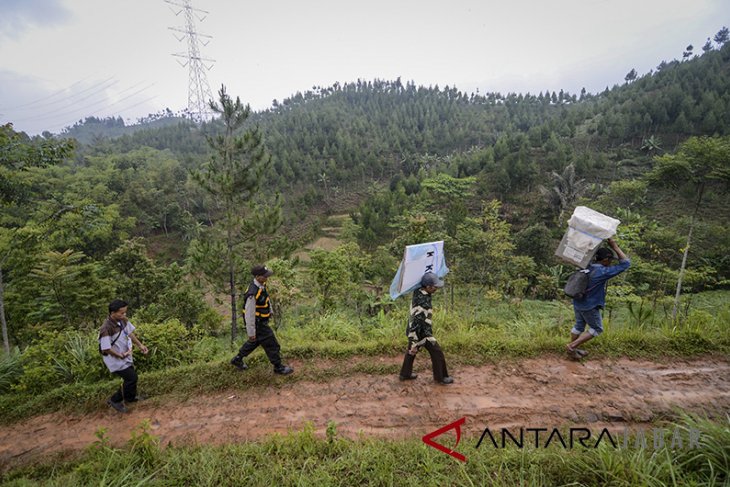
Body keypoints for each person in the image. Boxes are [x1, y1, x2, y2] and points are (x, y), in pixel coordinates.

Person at [567, 238, 630, 359]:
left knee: (579, 326)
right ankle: (572, 346)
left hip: (577, 302)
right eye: (610, 260)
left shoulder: (585, 266)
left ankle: (574, 350)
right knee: (597, 328)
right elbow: (626, 264)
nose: (611, 263)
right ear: (606, 260)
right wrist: (615, 246)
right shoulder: (602, 272)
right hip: (590, 305)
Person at [230, 264, 294, 375]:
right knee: (272, 344)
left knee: (254, 342)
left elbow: (266, 299)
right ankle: (278, 367)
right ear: (257, 276)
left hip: (261, 321)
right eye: (264, 276)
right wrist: (251, 331)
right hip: (258, 323)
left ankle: (237, 359)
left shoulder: (261, 285)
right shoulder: (252, 293)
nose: (267, 278)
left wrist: (270, 311)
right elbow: (249, 314)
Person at [399, 272, 453, 384]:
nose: (436, 288)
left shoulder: (418, 291)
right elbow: (417, 321)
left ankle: (405, 374)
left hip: (414, 330)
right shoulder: (422, 302)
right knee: (437, 353)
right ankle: (441, 377)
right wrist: (414, 340)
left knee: (411, 352)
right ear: (428, 287)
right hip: (421, 333)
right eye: (434, 286)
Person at [99, 299, 149, 413]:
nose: (124, 315)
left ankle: (130, 398)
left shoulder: (122, 320)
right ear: (113, 313)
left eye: (125, 312)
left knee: (130, 377)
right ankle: (114, 400)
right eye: (121, 313)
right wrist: (119, 355)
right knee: (132, 378)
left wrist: (140, 345)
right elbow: (106, 348)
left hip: (125, 355)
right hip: (115, 359)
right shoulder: (106, 328)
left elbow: (129, 333)